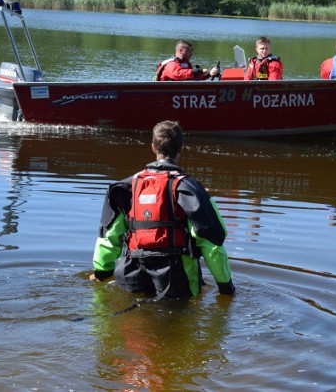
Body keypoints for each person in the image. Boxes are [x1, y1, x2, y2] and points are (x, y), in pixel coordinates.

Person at [90, 120, 235, 299]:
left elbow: (109, 237)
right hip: (174, 279)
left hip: (130, 274)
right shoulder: (190, 189)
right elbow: (211, 242)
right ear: (181, 148)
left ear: (153, 147)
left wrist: (101, 273)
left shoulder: (126, 187)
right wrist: (225, 286)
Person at [154, 40, 220, 81]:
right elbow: (178, 75)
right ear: (180, 51)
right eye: (188, 51)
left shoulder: (187, 64)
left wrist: (209, 74)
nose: (191, 53)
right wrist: (198, 71)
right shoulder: (171, 64)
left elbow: (192, 77)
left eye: (191, 51)